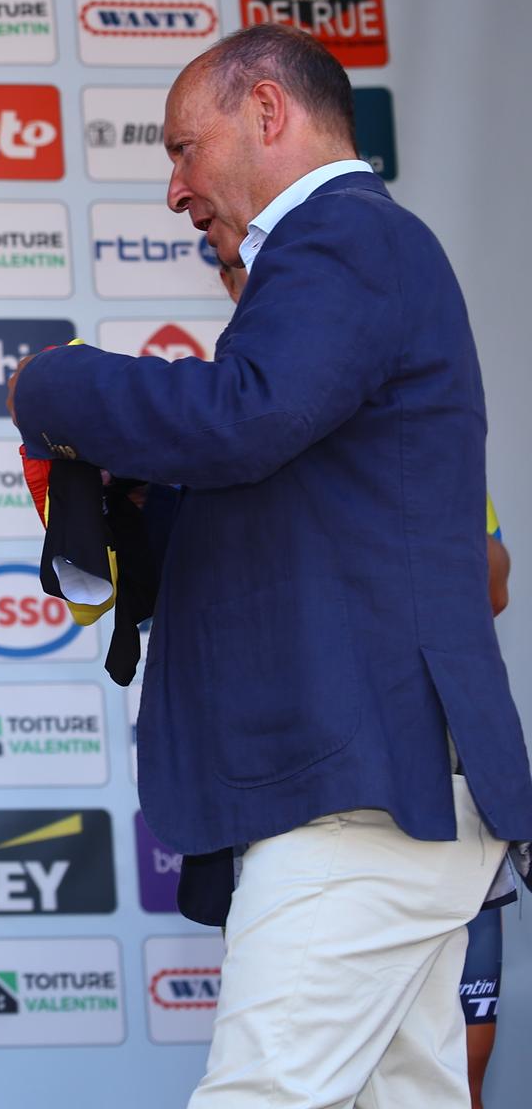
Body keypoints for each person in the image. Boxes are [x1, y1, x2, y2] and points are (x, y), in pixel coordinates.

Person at [9, 22, 532, 1106]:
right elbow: (272, 478)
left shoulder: (344, 235)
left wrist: (56, 388)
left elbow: (245, 419)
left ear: (265, 111)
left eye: (180, 148)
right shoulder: (329, 263)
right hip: (379, 789)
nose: (175, 189)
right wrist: (134, 508)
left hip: (359, 793)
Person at [216, 256, 515, 1109]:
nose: (246, 282)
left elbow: (490, 581)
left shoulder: (386, 418)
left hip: (415, 777)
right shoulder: (216, 425)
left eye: (260, 265)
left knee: (451, 1074)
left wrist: (367, 542)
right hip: (302, 784)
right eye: (234, 269)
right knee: (385, 1082)